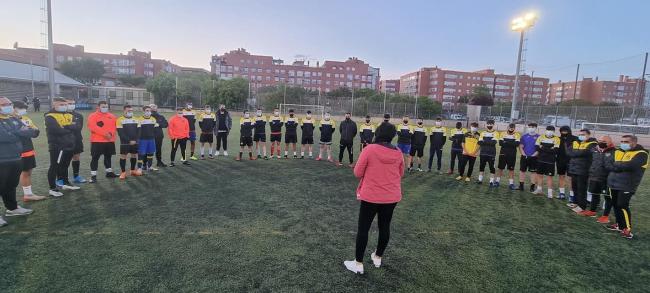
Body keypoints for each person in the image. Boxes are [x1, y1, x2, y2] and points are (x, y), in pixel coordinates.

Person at [344, 122, 404, 274]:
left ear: (377, 133)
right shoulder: (398, 152)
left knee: (363, 228)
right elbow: (401, 173)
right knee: (385, 227)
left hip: (371, 196)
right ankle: (377, 257)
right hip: (391, 196)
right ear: (392, 136)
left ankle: (358, 264)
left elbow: (357, 173)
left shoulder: (369, 149)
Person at [0, 97, 36, 227]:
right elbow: (4, 136)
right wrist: (20, 133)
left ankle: (12, 208)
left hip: (16, 157)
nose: (8, 106)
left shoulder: (13, 118)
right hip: (2, 159)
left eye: (9, 104)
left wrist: (19, 132)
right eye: (4, 104)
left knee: (11, 185)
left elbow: (31, 131)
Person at [605, 135, 648, 239]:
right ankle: (620, 225)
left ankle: (627, 229)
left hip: (627, 185)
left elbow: (630, 166)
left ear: (634, 143)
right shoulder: (617, 151)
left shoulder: (642, 154)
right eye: (622, 141)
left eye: (626, 141)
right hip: (613, 183)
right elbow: (608, 163)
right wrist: (619, 165)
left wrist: (616, 164)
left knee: (622, 205)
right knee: (615, 204)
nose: (623, 143)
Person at [44, 97, 77, 197]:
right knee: (54, 166)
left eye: (65, 105)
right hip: (57, 146)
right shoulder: (49, 116)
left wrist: (65, 127)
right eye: (61, 105)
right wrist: (69, 127)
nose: (64, 107)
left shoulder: (70, 114)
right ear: (54, 105)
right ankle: (52, 188)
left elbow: (77, 127)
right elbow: (56, 130)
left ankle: (65, 183)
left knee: (65, 165)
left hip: (70, 144)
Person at [13, 101, 45, 201]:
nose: (24, 110)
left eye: (25, 108)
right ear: (13, 108)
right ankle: (27, 195)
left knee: (28, 171)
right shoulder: (9, 120)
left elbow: (36, 132)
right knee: (22, 172)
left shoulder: (26, 119)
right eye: (21, 108)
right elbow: (17, 134)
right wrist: (27, 131)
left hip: (28, 148)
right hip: (18, 150)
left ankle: (28, 194)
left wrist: (26, 131)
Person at [566, 129, 597, 212]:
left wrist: (575, 153)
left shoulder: (592, 144)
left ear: (588, 135)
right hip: (573, 168)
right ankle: (576, 202)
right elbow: (568, 152)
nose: (581, 136)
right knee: (575, 187)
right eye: (580, 134)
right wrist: (577, 153)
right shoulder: (575, 142)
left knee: (581, 188)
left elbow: (585, 153)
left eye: (583, 134)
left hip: (583, 169)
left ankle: (582, 206)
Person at [87, 101, 119, 183]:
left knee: (108, 156)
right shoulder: (93, 116)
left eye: (106, 106)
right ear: (98, 107)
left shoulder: (112, 116)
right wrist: (105, 134)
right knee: (95, 158)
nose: (105, 108)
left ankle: (109, 172)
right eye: (103, 106)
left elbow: (114, 127)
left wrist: (111, 134)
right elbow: (92, 127)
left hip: (109, 140)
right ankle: (93, 176)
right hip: (97, 141)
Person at [588, 136, 615, 220]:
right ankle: (592, 211)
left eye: (604, 141)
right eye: (599, 140)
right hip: (595, 176)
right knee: (595, 194)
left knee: (607, 197)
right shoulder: (594, 150)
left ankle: (605, 215)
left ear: (610, 142)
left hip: (607, 179)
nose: (601, 142)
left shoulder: (614, 152)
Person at [533, 126, 560, 198]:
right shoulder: (541, 137)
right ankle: (539, 190)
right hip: (540, 160)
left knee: (549, 177)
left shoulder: (556, 139)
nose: (549, 131)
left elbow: (555, 151)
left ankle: (550, 193)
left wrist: (542, 147)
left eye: (551, 130)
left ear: (554, 131)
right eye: (548, 130)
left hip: (550, 161)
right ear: (546, 130)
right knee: (539, 175)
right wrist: (549, 148)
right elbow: (536, 147)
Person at [65, 98, 86, 184]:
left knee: (76, 157)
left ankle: (76, 176)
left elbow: (78, 128)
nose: (72, 105)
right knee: (64, 160)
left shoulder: (79, 115)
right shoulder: (61, 115)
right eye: (69, 103)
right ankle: (61, 178)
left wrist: (68, 126)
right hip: (64, 141)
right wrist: (72, 126)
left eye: (73, 103)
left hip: (77, 139)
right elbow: (60, 129)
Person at [116, 105, 141, 179]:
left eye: (131, 111)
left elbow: (139, 131)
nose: (130, 112)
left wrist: (135, 140)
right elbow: (121, 133)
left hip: (135, 142)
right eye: (128, 111)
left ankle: (132, 170)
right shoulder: (119, 120)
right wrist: (129, 141)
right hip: (125, 142)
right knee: (123, 156)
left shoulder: (136, 119)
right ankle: (123, 172)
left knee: (133, 155)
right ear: (124, 111)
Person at [496, 123, 520, 190]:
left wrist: (506, 142)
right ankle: (497, 182)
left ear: (514, 128)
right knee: (500, 168)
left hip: (512, 154)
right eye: (510, 128)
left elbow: (517, 144)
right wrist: (512, 143)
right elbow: (500, 143)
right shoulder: (503, 133)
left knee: (511, 169)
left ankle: (511, 184)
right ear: (507, 127)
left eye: (512, 128)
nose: (511, 129)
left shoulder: (517, 134)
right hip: (503, 154)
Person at [136, 106, 159, 173]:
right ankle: (139, 168)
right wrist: (138, 139)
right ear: (143, 111)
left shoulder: (153, 119)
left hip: (151, 139)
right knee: (141, 154)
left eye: (149, 111)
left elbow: (155, 130)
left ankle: (149, 167)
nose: (148, 112)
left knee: (151, 153)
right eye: (147, 110)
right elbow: (138, 131)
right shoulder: (139, 119)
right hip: (142, 140)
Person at [477, 120, 499, 186]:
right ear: (486, 124)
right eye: (488, 124)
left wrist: (484, 141)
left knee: (492, 168)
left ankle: (491, 182)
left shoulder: (496, 133)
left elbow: (493, 143)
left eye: (491, 124)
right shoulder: (482, 133)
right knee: (481, 167)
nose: (489, 125)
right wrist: (488, 141)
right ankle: (480, 180)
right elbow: (479, 142)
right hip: (483, 153)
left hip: (491, 153)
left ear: (493, 125)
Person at [518, 123, 539, 192]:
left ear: (536, 128)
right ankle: (521, 186)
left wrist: (533, 155)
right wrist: (524, 155)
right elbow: (521, 147)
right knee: (522, 171)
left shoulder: (539, 137)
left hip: (534, 157)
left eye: (532, 127)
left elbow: (539, 149)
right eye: (529, 127)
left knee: (533, 172)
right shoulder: (524, 136)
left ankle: (532, 187)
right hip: (525, 157)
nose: (531, 128)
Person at [557, 126, 577, 201]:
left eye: (565, 131)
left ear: (569, 131)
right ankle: (561, 193)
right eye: (562, 131)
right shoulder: (558, 139)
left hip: (571, 161)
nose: (564, 132)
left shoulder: (575, 138)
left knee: (571, 178)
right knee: (561, 176)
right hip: (560, 160)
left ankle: (572, 195)